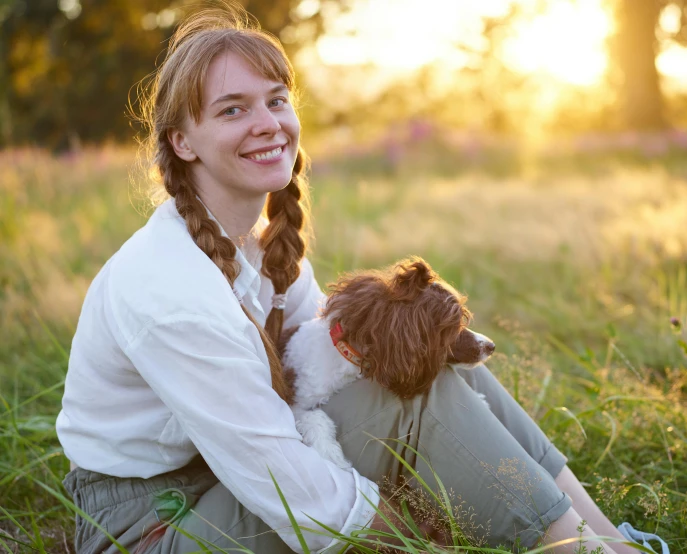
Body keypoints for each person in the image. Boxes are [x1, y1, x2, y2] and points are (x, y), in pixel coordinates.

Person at [56, 6, 638, 554]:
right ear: (182, 142)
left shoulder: (258, 248)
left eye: (276, 101)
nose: (268, 124)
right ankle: (575, 547)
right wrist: (409, 527)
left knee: (432, 362)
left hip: (224, 478)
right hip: (156, 524)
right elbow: (279, 477)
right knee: (413, 401)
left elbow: (328, 368)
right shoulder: (171, 291)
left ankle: (608, 540)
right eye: (233, 110)